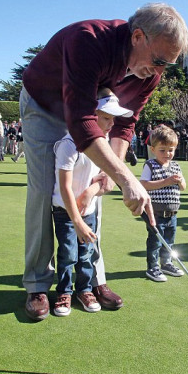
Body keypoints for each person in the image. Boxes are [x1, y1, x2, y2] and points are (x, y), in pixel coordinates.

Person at [20, 2, 188, 320]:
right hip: (44, 105)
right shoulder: (88, 40)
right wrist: (127, 178)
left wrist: (111, 176)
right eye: (158, 61)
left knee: (96, 187)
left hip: (95, 111)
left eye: (167, 65)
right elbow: (83, 123)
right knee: (46, 192)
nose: (159, 72)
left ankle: (92, 280)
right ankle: (37, 284)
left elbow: (124, 124)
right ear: (137, 36)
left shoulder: (149, 73)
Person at [52, 88, 133, 316]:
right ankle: (64, 292)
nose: (110, 124)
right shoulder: (68, 144)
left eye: (113, 119)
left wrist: (89, 193)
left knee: (86, 254)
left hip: (89, 212)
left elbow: (102, 178)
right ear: (90, 113)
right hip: (66, 213)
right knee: (68, 253)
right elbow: (65, 186)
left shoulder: (103, 144)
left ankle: (84, 289)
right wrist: (76, 221)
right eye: (106, 117)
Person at [140, 124, 186, 282]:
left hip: (172, 213)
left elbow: (184, 186)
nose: (167, 154)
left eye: (171, 150)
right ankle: (152, 267)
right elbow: (144, 184)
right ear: (153, 149)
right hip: (156, 213)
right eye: (163, 150)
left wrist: (179, 182)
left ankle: (166, 263)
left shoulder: (175, 166)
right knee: (155, 242)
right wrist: (166, 181)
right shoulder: (150, 165)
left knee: (169, 241)